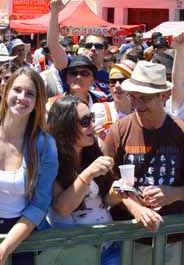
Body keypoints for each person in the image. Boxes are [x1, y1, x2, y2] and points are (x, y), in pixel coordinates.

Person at [102, 61, 184, 265]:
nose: (137, 105)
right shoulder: (119, 131)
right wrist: (136, 208)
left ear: (163, 96)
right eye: (134, 97)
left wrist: (173, 193)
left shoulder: (183, 132)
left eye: (145, 98)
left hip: (172, 237)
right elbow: (106, 188)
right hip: (129, 236)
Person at [0, 67, 58, 265]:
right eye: (17, 90)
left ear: (37, 103)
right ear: (6, 91)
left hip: (25, 236)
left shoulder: (45, 145)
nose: (22, 97)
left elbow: (40, 204)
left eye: (30, 93)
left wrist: (5, 248)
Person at [46, 95, 120, 265]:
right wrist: (87, 174)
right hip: (72, 254)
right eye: (85, 121)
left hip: (108, 248)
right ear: (65, 126)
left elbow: (105, 199)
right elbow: (62, 208)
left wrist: (119, 193)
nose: (93, 126)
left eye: (92, 118)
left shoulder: (97, 147)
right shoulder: (51, 157)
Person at [91, 60, 135, 140]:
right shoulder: (99, 109)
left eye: (122, 81)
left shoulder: (141, 113)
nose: (117, 85)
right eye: (113, 82)